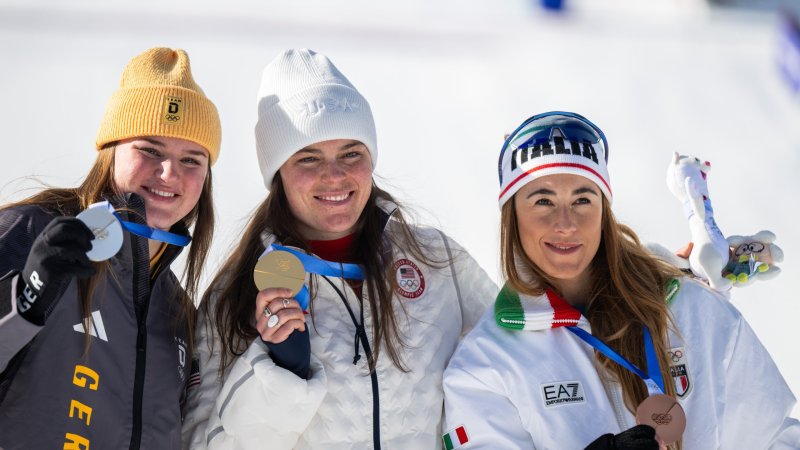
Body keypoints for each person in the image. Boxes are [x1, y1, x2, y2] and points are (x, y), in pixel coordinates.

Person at [181, 48, 497, 449]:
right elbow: (200, 444)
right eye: (309, 158)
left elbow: (518, 366)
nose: (334, 176)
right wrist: (281, 376)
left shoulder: (436, 260)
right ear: (278, 174)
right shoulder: (238, 291)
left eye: (351, 153)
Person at [442, 112, 800, 449]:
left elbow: (772, 438)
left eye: (583, 199)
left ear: (604, 211)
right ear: (512, 217)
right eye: (543, 201)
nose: (565, 223)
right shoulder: (485, 365)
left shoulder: (693, 309)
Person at [0, 47, 221, 449]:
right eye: (150, 150)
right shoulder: (31, 233)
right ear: (110, 151)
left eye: (192, 159)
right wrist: (23, 301)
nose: (169, 173)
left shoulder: (179, 312)